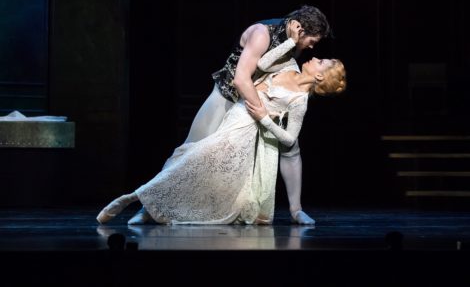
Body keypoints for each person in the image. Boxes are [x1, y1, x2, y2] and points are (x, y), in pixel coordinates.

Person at [127, 5, 333, 225]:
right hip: (229, 97)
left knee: (291, 147)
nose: (312, 47)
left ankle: (296, 210)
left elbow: (277, 70)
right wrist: (262, 114)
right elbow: (241, 78)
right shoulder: (262, 34)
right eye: (312, 40)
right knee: (191, 150)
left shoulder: (294, 43)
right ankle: (150, 206)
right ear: (300, 29)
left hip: (257, 105)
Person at [96, 56, 346, 225]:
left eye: (320, 61)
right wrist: (290, 39)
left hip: (243, 131)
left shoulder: (300, 101)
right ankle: (148, 206)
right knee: (189, 157)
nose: (314, 58)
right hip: (233, 115)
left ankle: (135, 197)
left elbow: (290, 139)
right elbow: (262, 61)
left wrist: (265, 119)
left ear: (321, 77)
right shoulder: (287, 65)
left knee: (195, 161)